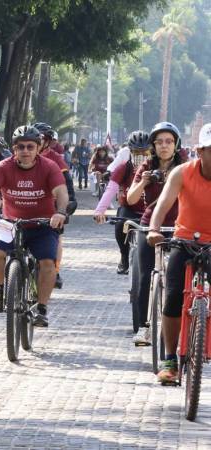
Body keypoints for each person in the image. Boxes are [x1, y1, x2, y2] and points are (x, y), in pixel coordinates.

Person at [0, 125, 69, 325]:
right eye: (21, 147)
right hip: (11, 224)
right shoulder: (4, 167)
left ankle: (41, 307)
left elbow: (62, 193)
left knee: (47, 263)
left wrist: (60, 212)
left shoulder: (49, 167)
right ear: (14, 149)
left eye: (30, 147)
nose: (25, 151)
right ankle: (2, 289)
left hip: (42, 225)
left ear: (38, 148)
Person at [147, 122, 211, 384]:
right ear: (199, 151)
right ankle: (170, 359)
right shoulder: (182, 173)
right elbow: (163, 204)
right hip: (184, 240)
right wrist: (153, 229)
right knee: (173, 297)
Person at [126, 122, 184, 345]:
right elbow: (131, 199)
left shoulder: (185, 167)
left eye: (169, 141)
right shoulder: (146, 168)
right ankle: (143, 327)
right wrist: (144, 181)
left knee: (180, 279)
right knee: (145, 277)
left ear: (176, 145)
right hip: (151, 225)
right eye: (159, 142)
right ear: (153, 146)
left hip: (179, 226)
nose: (164, 146)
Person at [94, 130, 150, 274]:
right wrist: (100, 211)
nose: (141, 156)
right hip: (129, 209)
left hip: (151, 211)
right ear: (130, 152)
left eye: (145, 152)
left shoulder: (155, 169)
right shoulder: (124, 168)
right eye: (137, 152)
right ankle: (124, 256)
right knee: (119, 226)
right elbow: (111, 189)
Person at [33, 122, 77, 289]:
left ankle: (55, 270)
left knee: (57, 237)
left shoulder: (56, 159)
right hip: (26, 204)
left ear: (48, 141)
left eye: (40, 138)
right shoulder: (23, 156)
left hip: (51, 206)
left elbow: (67, 183)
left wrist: (70, 200)